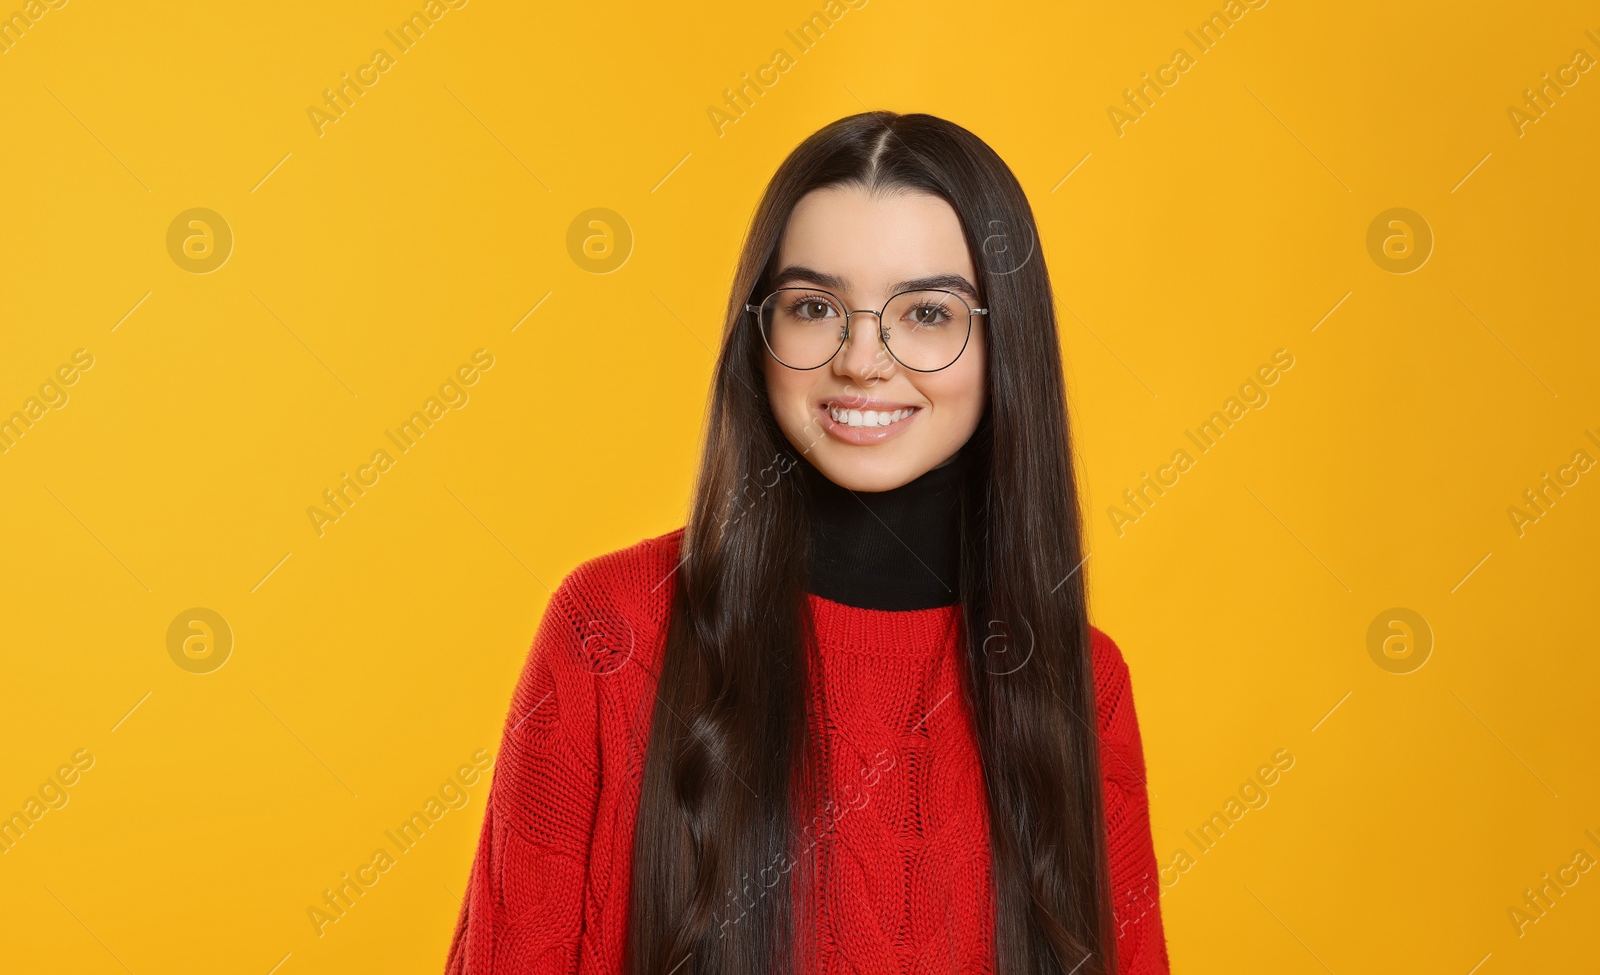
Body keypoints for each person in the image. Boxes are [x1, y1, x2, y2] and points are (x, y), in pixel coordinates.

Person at [445, 112, 1170, 974]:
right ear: (761, 334)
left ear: (1004, 339)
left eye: (928, 311)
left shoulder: (1080, 682)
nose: (863, 359)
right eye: (816, 307)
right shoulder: (610, 632)